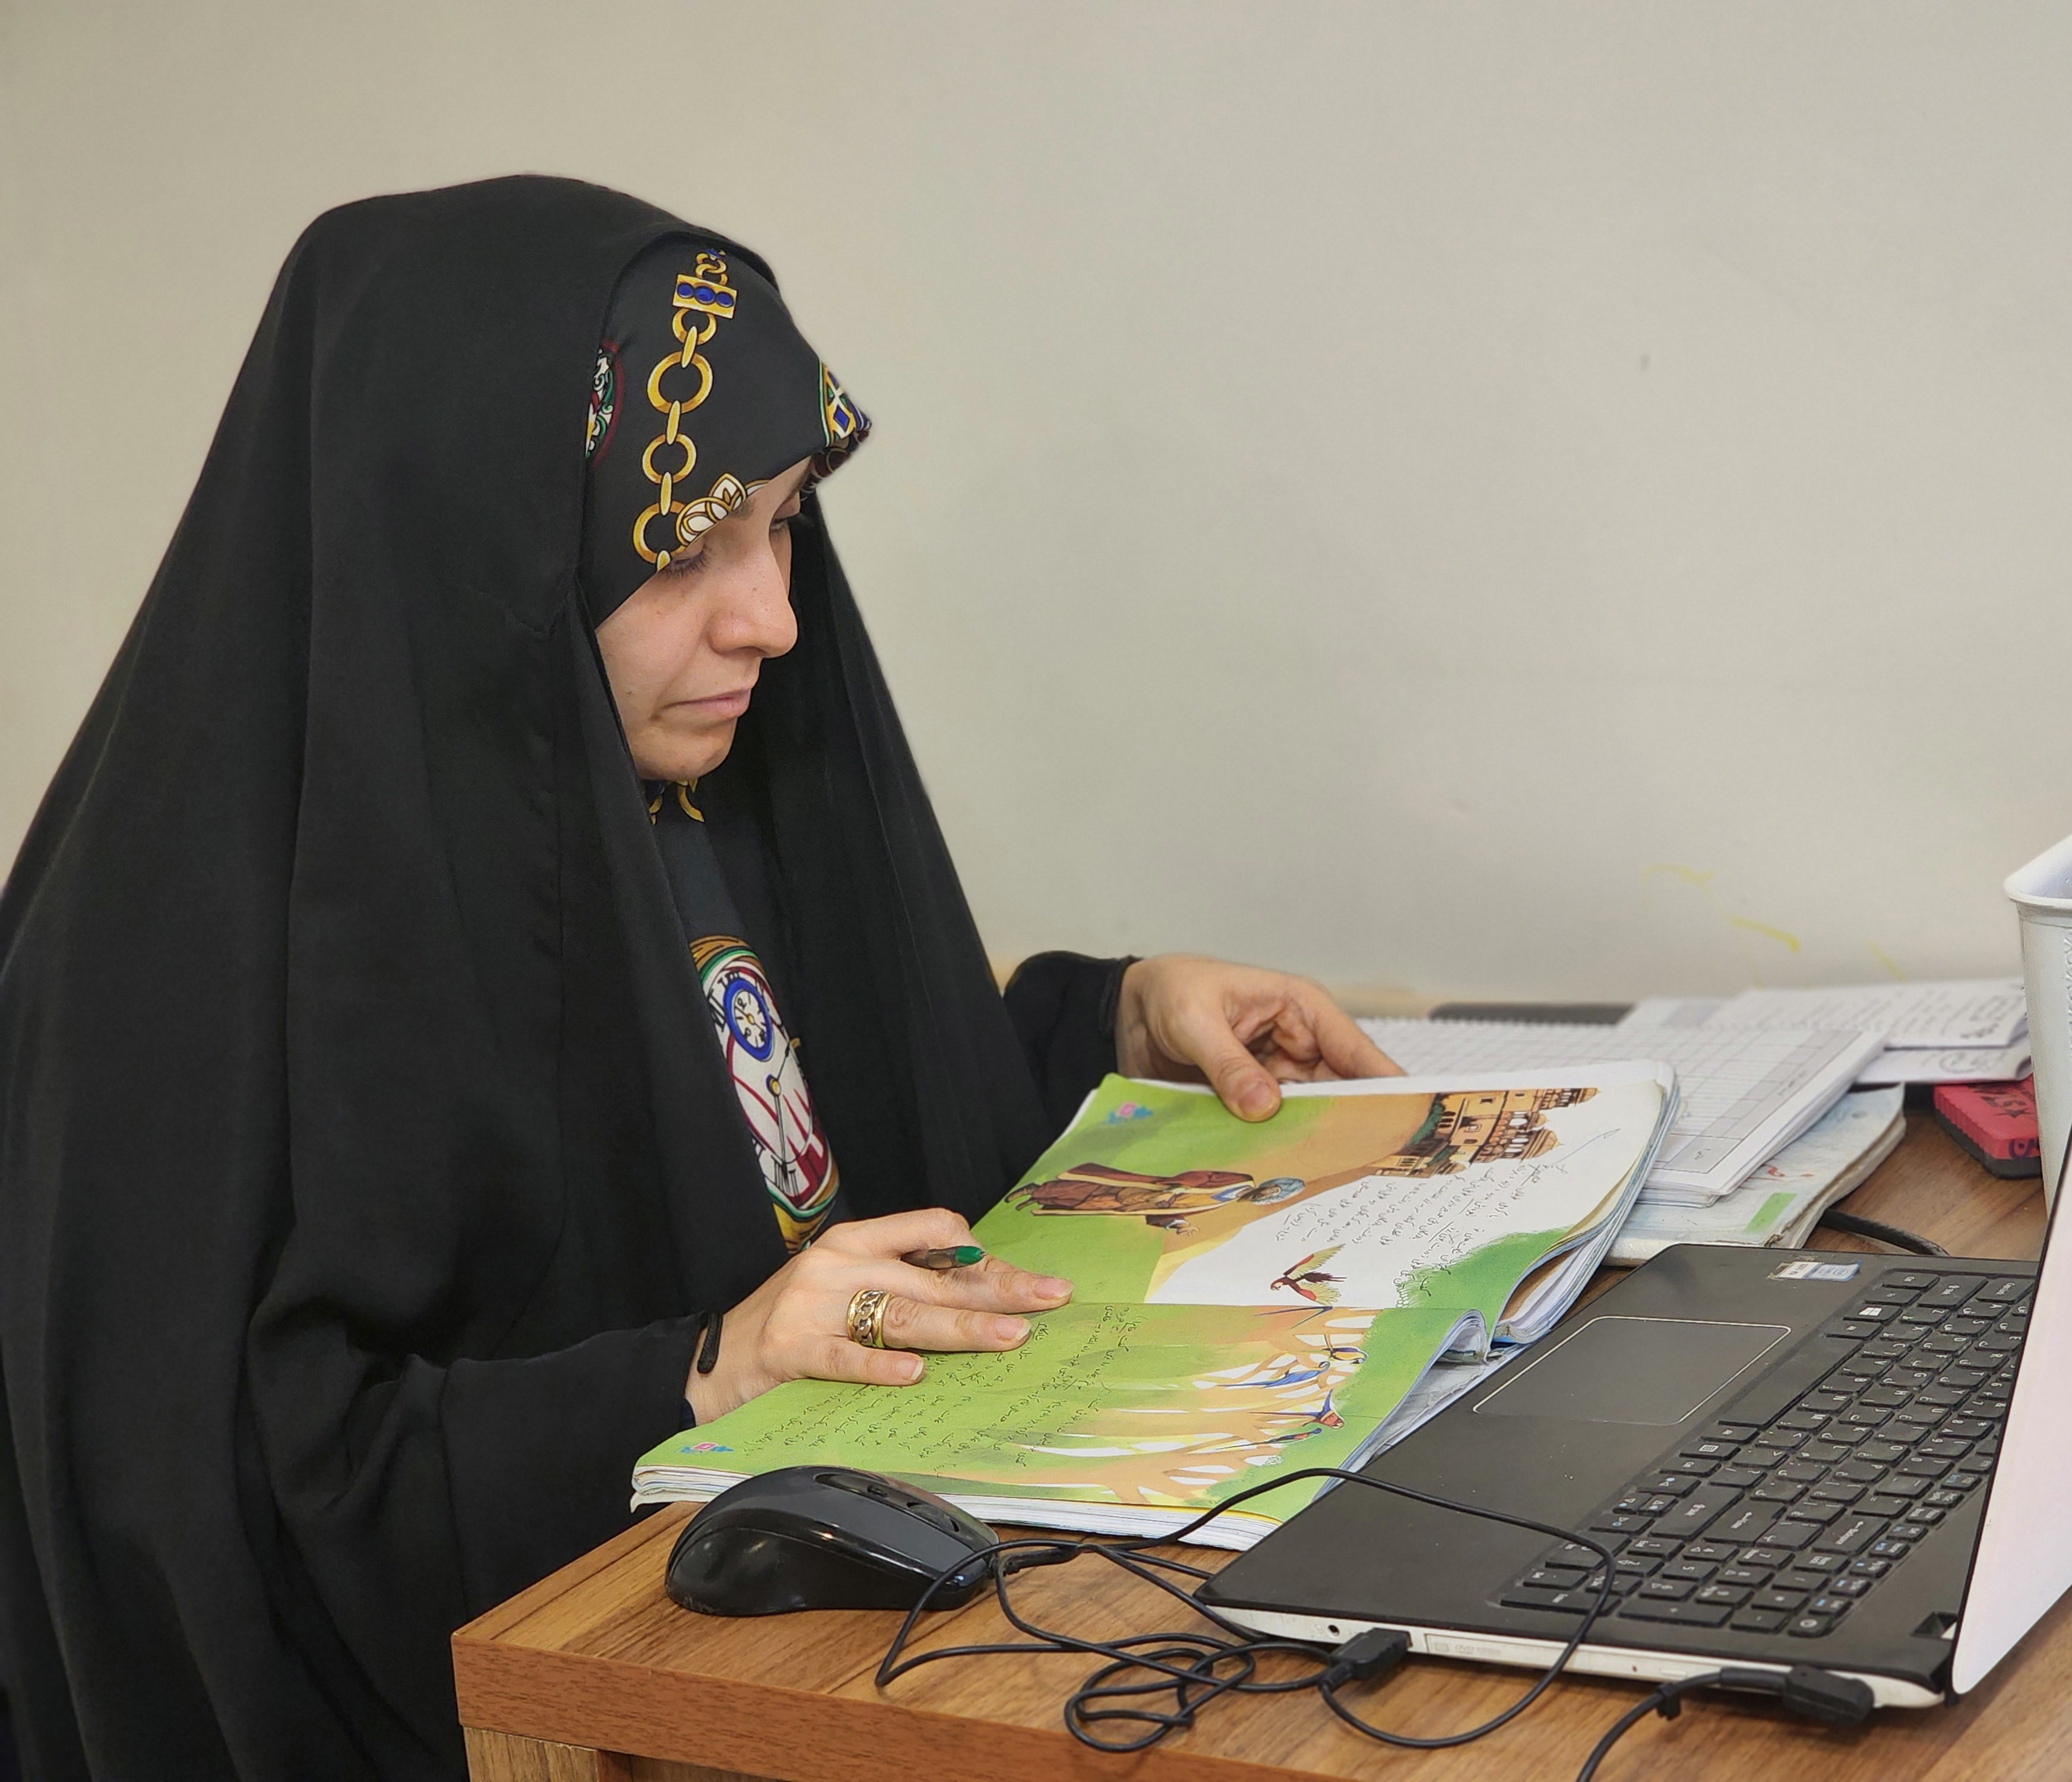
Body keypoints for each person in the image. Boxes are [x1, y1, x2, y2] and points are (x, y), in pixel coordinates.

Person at [0, 178, 1394, 1781]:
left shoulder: (648, 795)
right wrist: (699, 1374)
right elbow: (212, 1516)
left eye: (783, 522)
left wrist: (1118, 1015)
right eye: (682, 545)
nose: (775, 619)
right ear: (474, 544)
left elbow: (781, 1132)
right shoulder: (157, 984)